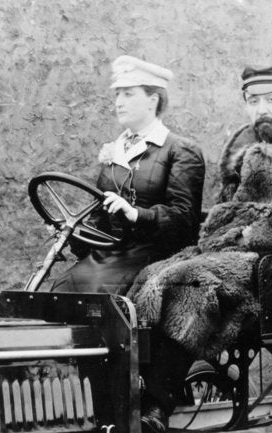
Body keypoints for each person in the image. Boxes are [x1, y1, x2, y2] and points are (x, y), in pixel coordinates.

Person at [131, 64, 272, 433]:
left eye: (271, 99)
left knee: (192, 282)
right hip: (231, 257)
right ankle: (134, 390)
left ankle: (155, 406)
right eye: (253, 100)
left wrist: (252, 235)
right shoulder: (242, 149)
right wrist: (220, 237)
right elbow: (221, 214)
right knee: (151, 275)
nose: (262, 108)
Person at [50, 55, 205, 295]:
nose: (118, 102)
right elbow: (99, 221)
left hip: (155, 255)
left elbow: (184, 220)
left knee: (96, 292)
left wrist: (135, 214)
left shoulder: (180, 150)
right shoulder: (116, 150)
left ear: (152, 100)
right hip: (111, 254)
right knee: (62, 287)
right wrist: (71, 232)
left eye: (128, 94)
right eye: (117, 95)